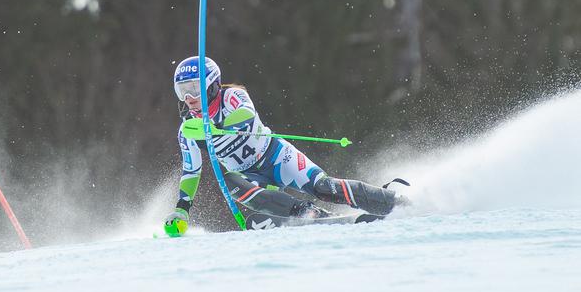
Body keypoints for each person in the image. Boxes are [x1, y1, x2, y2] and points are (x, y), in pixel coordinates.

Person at [163, 56, 404, 236]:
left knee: (323, 187)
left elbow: (245, 115)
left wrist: (216, 127)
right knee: (229, 182)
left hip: (276, 156)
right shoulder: (189, 130)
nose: (189, 97)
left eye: (194, 88)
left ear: (212, 84)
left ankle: (393, 201)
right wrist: (182, 209)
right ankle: (313, 216)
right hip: (246, 175)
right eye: (182, 91)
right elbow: (191, 171)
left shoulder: (231, 96)